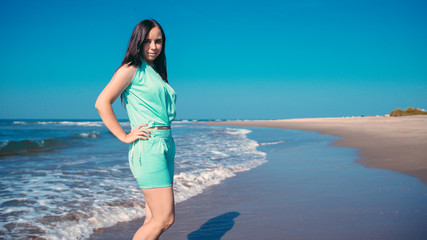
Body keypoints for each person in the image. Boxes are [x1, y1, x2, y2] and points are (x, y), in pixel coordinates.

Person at [95, 19, 177, 240]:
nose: (153, 46)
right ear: (138, 42)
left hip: (165, 144)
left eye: (158, 41)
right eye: (147, 41)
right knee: (165, 219)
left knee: (152, 219)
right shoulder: (131, 68)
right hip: (148, 146)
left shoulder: (155, 72)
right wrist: (124, 135)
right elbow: (102, 102)